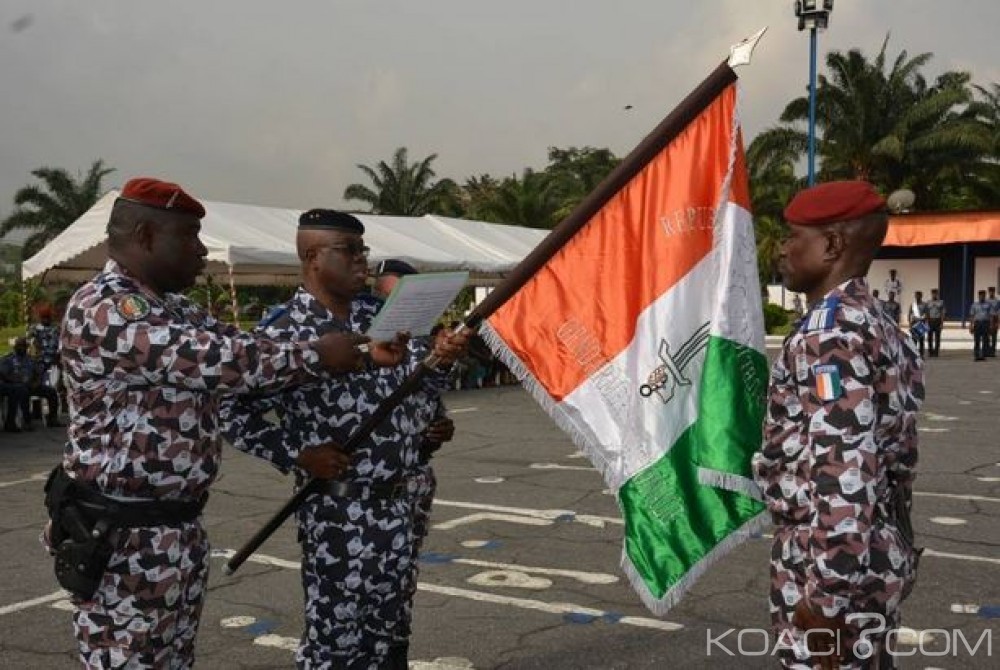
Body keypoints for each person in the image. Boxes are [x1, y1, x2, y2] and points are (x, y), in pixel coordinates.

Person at [44, 178, 391, 670]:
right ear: (145, 235)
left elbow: (252, 348)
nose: (202, 250)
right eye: (189, 236)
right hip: (123, 537)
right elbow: (220, 360)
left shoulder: (174, 308)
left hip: (174, 530)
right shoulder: (107, 307)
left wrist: (363, 350)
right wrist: (317, 354)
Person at [220, 211, 468, 670]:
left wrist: (443, 360)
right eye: (349, 250)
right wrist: (298, 454)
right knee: (335, 645)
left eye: (363, 249)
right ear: (313, 257)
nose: (361, 260)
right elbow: (231, 412)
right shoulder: (283, 333)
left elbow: (420, 386)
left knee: (389, 640)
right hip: (338, 512)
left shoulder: (379, 318)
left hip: (400, 505)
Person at [753, 181, 925, 668]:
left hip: (832, 565)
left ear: (831, 245)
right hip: (874, 550)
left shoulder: (830, 332)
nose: (781, 248)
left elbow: (842, 469)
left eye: (793, 236)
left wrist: (827, 602)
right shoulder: (872, 317)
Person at [0, 337, 62, 428]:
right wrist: (14, 381)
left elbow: (38, 373)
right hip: (16, 385)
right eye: (19, 346)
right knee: (22, 391)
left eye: (24, 346)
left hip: (31, 385)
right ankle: (27, 421)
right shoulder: (8, 359)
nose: (22, 348)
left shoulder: (30, 359)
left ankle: (52, 419)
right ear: (15, 347)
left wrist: (37, 382)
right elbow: (3, 375)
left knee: (51, 391)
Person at [968, 289, 992, 361]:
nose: (982, 297)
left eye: (983, 295)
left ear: (985, 296)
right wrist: (971, 325)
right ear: (978, 296)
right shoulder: (974, 305)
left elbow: (990, 315)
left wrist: (991, 325)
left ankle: (983, 355)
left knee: (985, 340)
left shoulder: (988, 305)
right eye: (980, 295)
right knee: (977, 340)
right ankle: (977, 355)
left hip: (985, 323)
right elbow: (972, 316)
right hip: (977, 323)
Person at [924, 288, 946, 357]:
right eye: (933, 294)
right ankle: (930, 352)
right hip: (930, 321)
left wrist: (942, 323)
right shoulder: (928, 302)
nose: (934, 295)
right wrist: (926, 322)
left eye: (935, 294)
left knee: (937, 337)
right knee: (929, 337)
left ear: (937, 294)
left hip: (937, 320)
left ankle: (936, 352)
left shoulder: (941, 302)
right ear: (931, 294)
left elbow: (943, 313)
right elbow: (927, 313)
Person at [908, 290, 927, 357]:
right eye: (916, 295)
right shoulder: (912, 305)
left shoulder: (924, 304)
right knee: (914, 340)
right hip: (914, 323)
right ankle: (915, 354)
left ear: (921, 296)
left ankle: (921, 354)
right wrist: (909, 323)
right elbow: (909, 314)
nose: (917, 297)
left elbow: (926, 314)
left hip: (921, 324)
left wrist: (924, 320)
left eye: (919, 295)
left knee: (921, 340)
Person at [987, 286, 999, 357]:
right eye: (990, 291)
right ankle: (988, 350)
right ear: (989, 292)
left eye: (992, 291)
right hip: (988, 319)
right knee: (987, 336)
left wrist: (998, 323)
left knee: (994, 336)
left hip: (995, 318)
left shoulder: (997, 301)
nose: (991, 293)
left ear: (994, 292)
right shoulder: (986, 301)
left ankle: (993, 351)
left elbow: (998, 312)